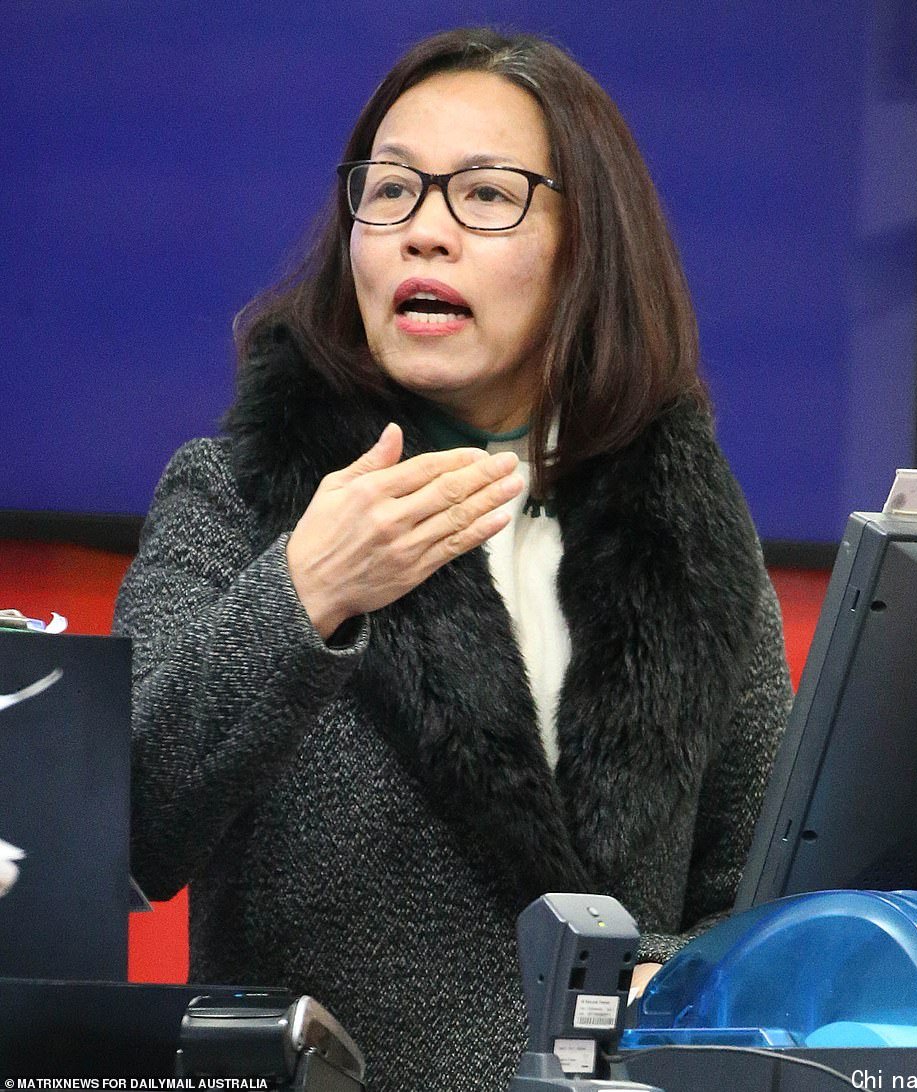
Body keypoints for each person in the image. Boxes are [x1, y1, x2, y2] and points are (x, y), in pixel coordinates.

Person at [114, 26, 792, 1092]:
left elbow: (761, 901)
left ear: (586, 243)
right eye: (388, 192)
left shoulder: (690, 534)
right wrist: (304, 594)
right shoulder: (236, 494)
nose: (422, 235)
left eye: (484, 196)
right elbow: (117, 833)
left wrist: (662, 984)